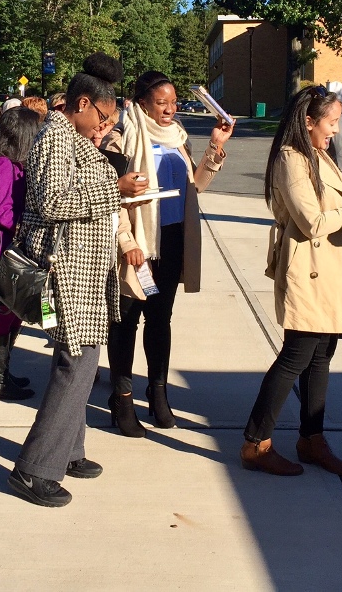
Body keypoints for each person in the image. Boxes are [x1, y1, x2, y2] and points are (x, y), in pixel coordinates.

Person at [7, 53, 148, 508]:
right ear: (82, 103)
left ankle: (68, 450)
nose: (104, 127)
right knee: (77, 361)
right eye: (102, 118)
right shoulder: (54, 135)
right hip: (64, 270)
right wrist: (115, 189)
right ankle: (33, 469)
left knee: (84, 359)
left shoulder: (75, 137)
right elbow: (51, 201)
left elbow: (82, 186)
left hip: (85, 269)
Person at [240, 86, 342, 477]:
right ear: (308, 122)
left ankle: (311, 438)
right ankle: (256, 443)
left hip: (332, 269)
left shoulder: (316, 155)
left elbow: (325, 210)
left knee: (321, 357)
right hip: (309, 270)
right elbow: (312, 222)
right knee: (295, 357)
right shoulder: (291, 158)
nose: (337, 130)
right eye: (332, 122)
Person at [104, 70, 233, 436]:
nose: (170, 109)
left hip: (173, 239)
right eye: (162, 102)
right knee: (125, 321)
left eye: (173, 102)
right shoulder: (121, 139)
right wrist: (127, 242)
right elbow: (110, 198)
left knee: (161, 319)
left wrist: (215, 147)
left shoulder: (178, 138)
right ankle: (122, 398)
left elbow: (197, 185)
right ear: (142, 101)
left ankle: (157, 392)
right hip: (138, 246)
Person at [0, 106, 42, 401]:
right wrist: (21, 224)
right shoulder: (2, 164)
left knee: (12, 315)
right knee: (4, 315)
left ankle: (3, 374)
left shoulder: (15, 163)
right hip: (5, 252)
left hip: (14, 248)